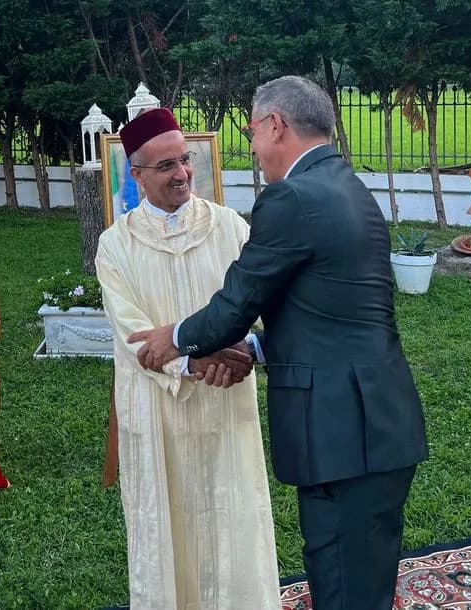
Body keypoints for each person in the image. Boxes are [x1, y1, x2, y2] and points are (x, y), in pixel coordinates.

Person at [128, 76, 429, 610]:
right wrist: (258, 350)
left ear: (275, 125)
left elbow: (233, 306)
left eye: (251, 131)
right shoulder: (347, 184)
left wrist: (171, 339)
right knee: (365, 576)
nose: (252, 146)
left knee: (341, 584)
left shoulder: (290, 196)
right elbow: (331, 312)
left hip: (342, 432)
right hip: (380, 417)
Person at [95, 107, 281, 609]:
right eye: (166, 166)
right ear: (136, 175)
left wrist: (241, 353)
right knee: (165, 530)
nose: (181, 174)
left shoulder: (229, 229)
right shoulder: (116, 245)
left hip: (227, 403)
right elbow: (133, 334)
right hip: (155, 411)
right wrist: (195, 363)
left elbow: (267, 309)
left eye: (185, 160)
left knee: (233, 519)